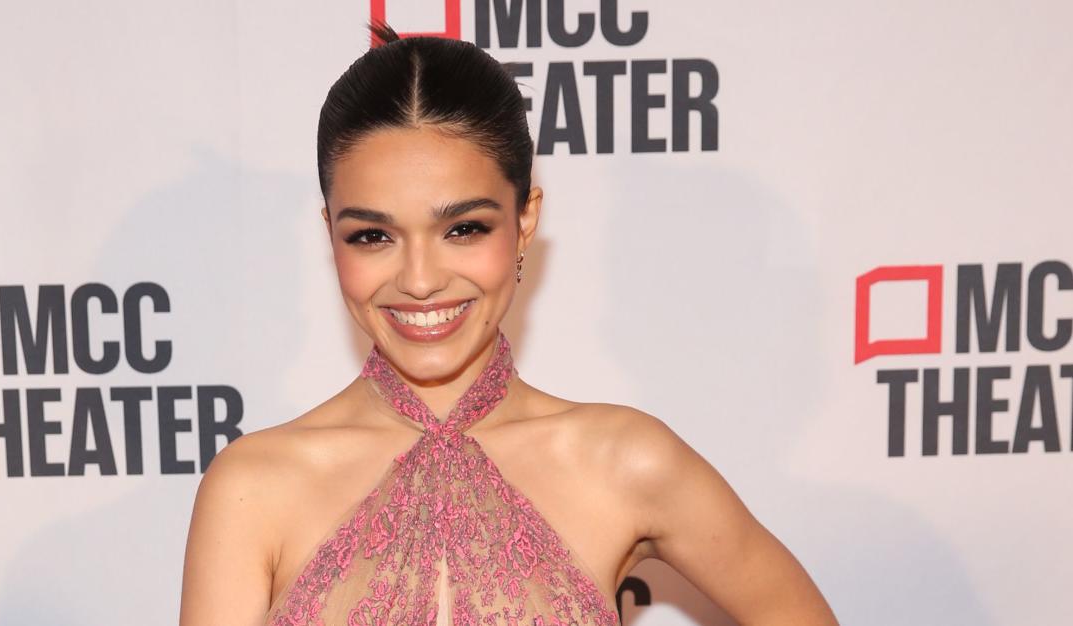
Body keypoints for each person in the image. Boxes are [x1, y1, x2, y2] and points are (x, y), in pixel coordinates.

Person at [180, 23, 838, 626]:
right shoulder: (253, 487)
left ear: (525, 221)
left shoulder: (625, 459)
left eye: (463, 228)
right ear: (332, 234)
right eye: (373, 235)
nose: (419, 278)